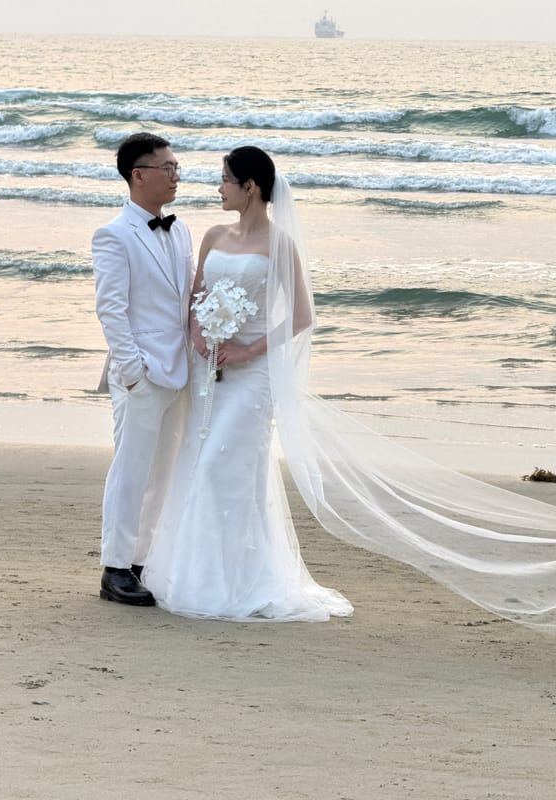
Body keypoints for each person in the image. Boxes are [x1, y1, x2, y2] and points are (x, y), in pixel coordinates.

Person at [140, 146, 556, 629]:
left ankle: (238, 581)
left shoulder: (279, 244)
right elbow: (196, 297)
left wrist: (247, 351)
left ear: (250, 188)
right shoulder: (213, 234)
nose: (219, 188)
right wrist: (199, 334)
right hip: (208, 368)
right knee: (200, 464)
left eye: (226, 180)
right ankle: (198, 575)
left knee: (226, 469)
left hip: (251, 375)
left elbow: (300, 316)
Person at [92, 132, 194, 606]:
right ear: (138, 175)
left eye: (177, 167)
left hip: (180, 369)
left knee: (164, 471)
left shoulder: (182, 230)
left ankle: (140, 560)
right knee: (131, 468)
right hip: (141, 372)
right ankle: (114, 568)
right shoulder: (113, 234)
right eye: (167, 168)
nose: (176, 175)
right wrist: (132, 370)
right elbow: (111, 309)